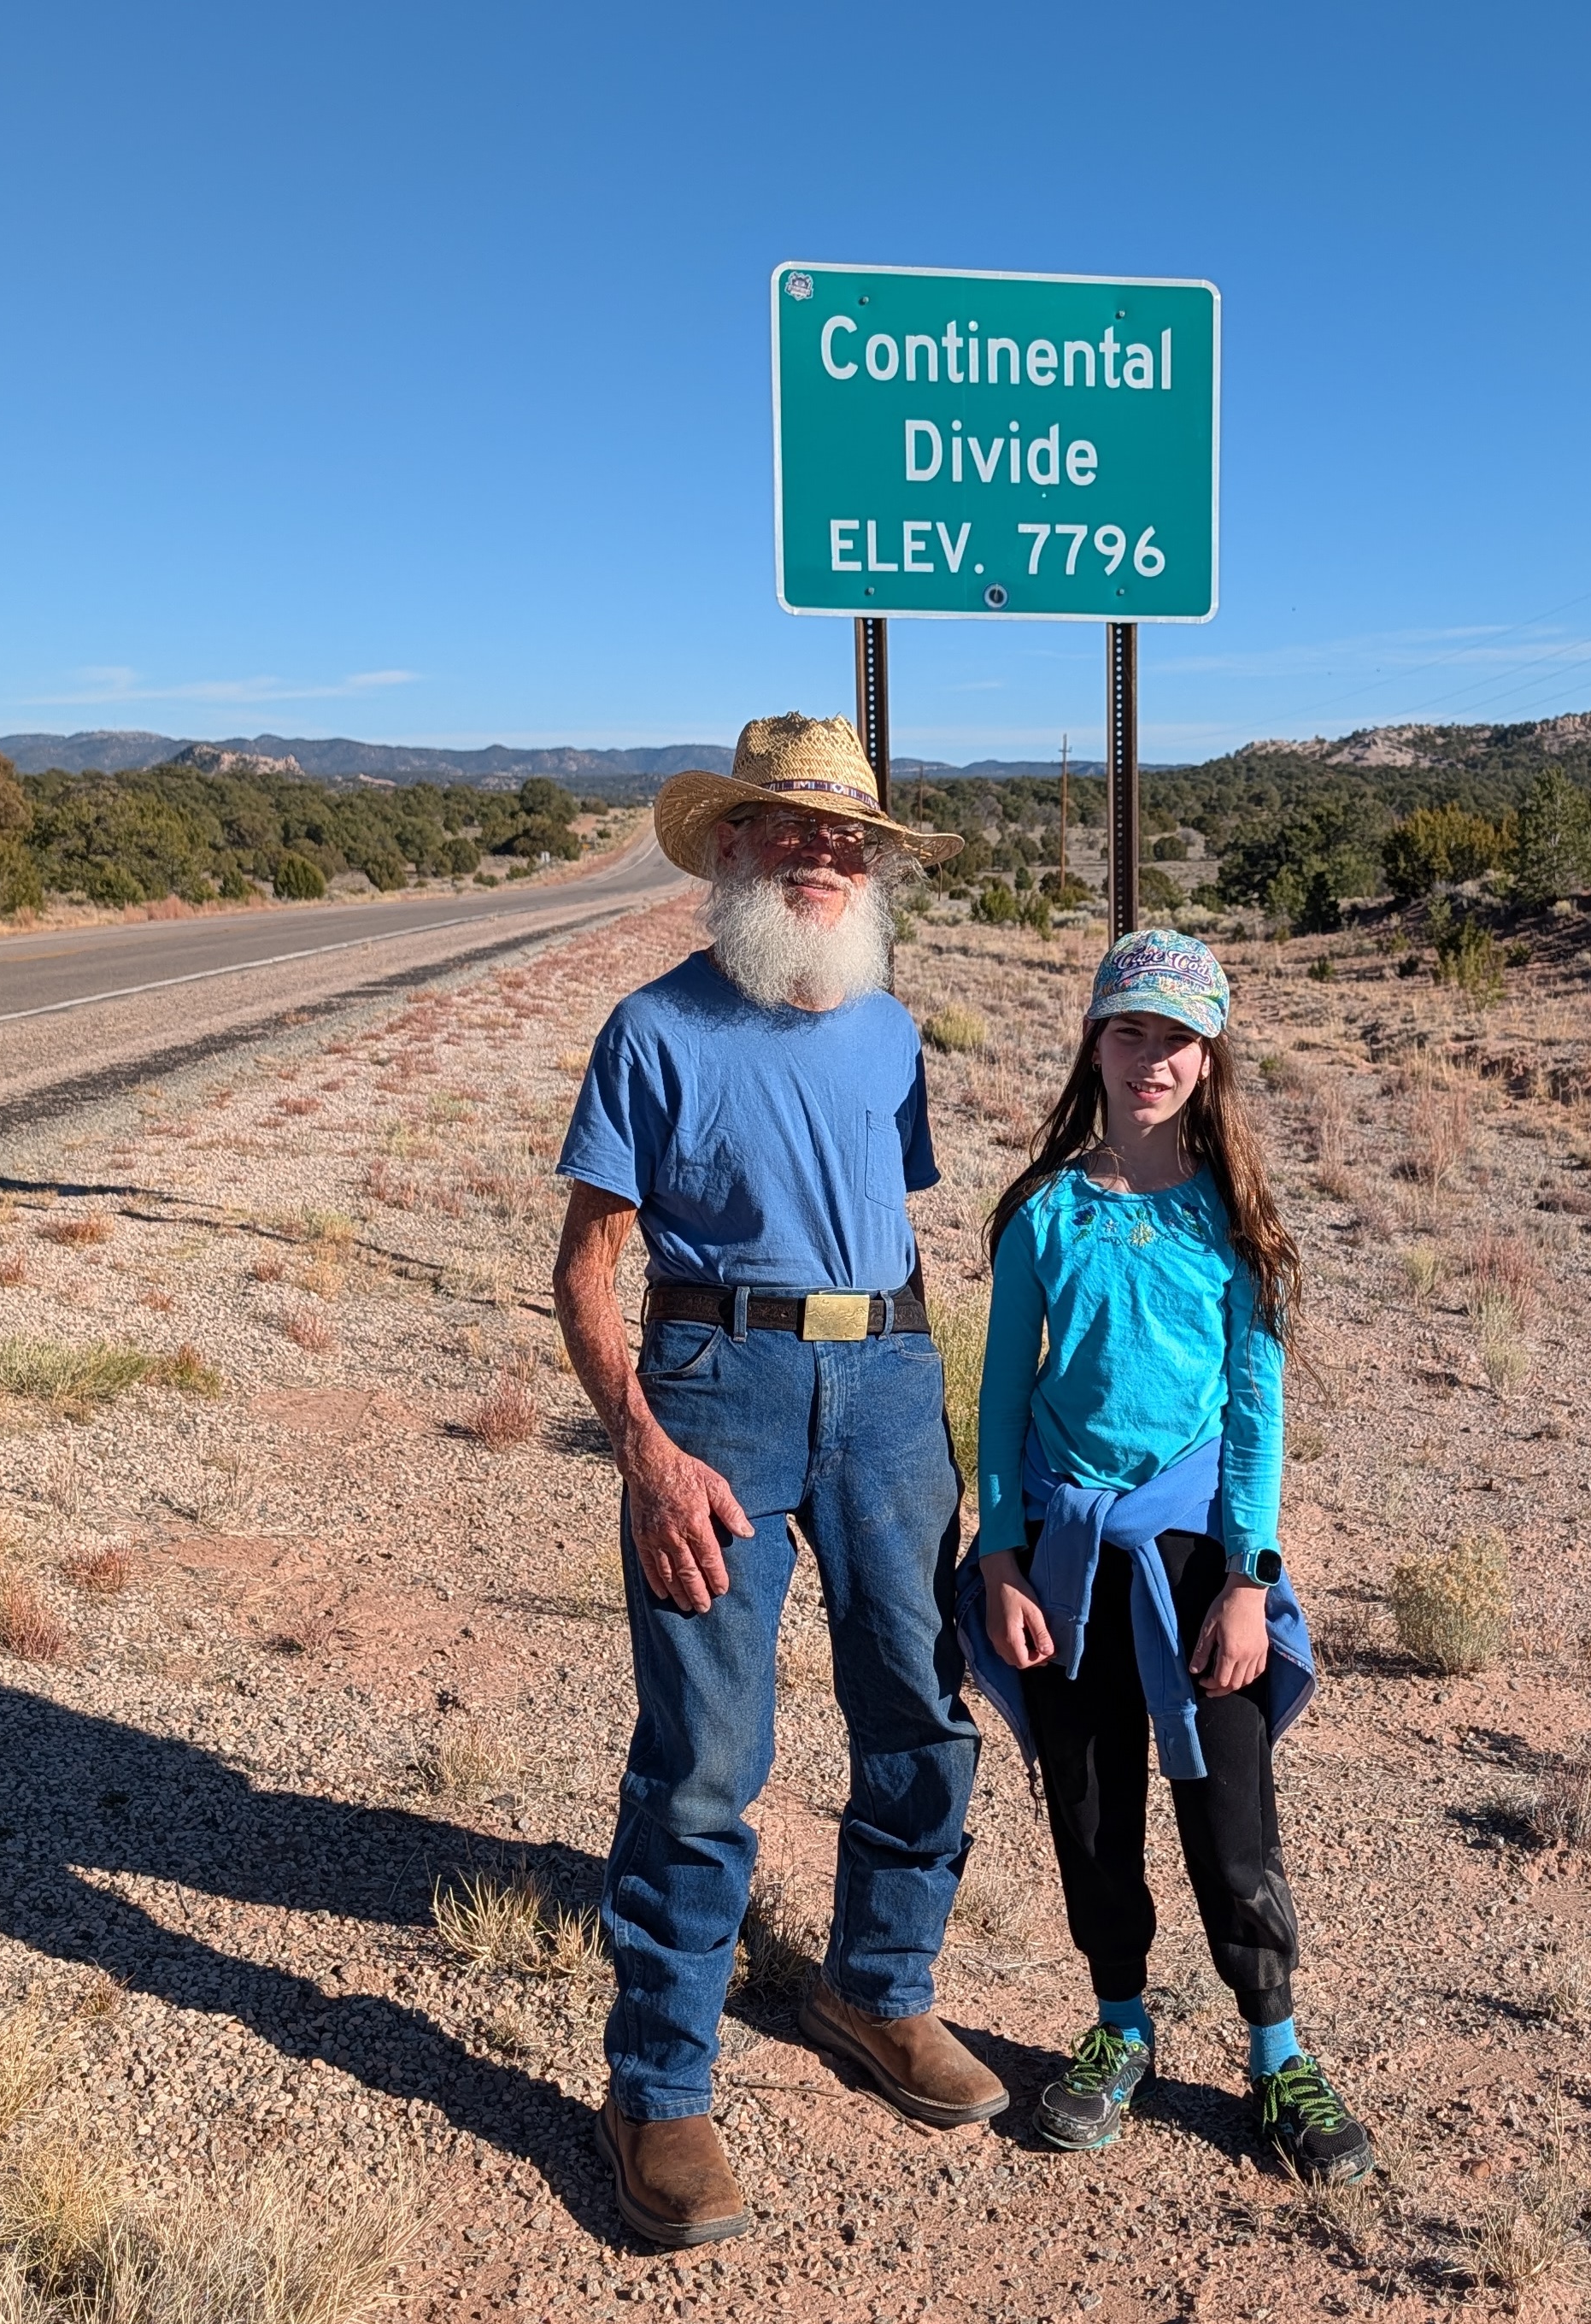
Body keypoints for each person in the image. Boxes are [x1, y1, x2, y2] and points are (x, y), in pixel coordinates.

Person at [553, 712, 1007, 2250]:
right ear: (732, 845)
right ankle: (656, 2090)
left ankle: (876, 1990)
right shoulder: (653, 1028)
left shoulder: (888, 1030)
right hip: (714, 1387)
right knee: (703, 1756)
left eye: (848, 835)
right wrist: (645, 1450)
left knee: (920, 1706)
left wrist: (924, 1399)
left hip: (887, 1381)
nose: (824, 852)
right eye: (793, 825)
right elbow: (585, 1268)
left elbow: (888, 1218)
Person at [960, 927, 1377, 2185]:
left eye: (1178, 1038)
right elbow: (1001, 1395)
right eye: (1129, 1029)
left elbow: (1257, 1415)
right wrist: (1002, 1557)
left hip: (1199, 1557)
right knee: (1089, 1807)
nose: (1152, 1057)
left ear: (1210, 1059)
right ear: (1094, 1041)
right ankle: (1119, 2026)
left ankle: (1276, 2053)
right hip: (1066, 1552)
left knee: (1230, 1815)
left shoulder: (1236, 1220)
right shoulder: (1044, 1211)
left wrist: (1250, 1581)